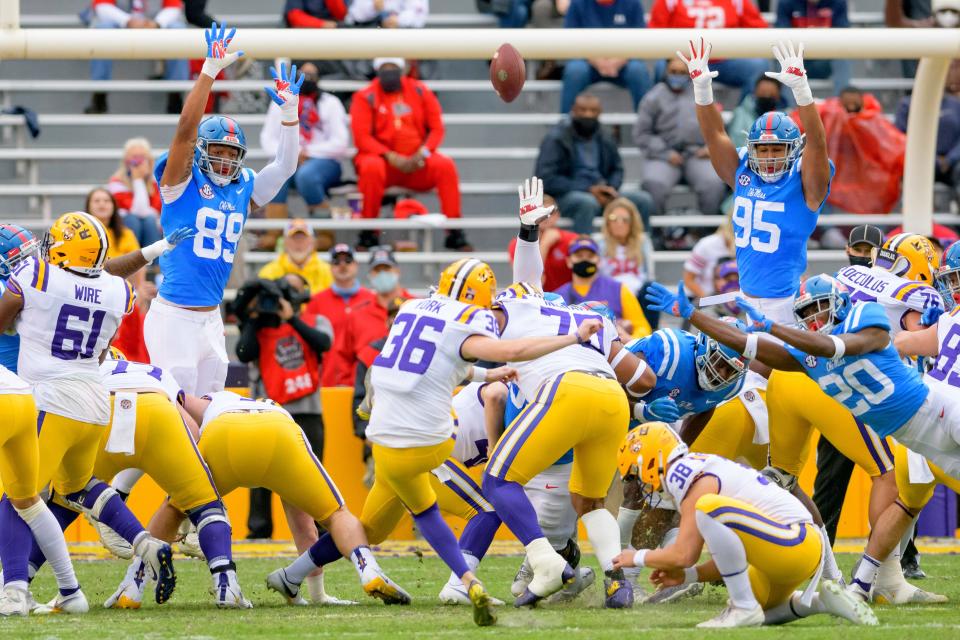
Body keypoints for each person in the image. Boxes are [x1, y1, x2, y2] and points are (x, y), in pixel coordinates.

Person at [645, 275, 960, 604]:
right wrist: (694, 316)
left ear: (839, 302)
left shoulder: (864, 316)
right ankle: (861, 583)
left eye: (820, 310)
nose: (815, 320)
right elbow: (749, 347)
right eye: (807, 313)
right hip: (917, 439)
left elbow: (833, 347)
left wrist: (773, 328)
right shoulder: (807, 355)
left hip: (940, 409)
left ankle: (868, 579)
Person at [482, 177, 657, 609]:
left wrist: (528, 233)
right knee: (591, 500)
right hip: (611, 399)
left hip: (565, 390)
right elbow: (642, 380)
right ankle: (617, 579)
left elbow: (521, 286)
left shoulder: (511, 309)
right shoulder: (587, 316)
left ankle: (546, 563)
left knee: (498, 480)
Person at [0, 213, 180, 613]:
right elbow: (97, 289)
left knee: (19, 496)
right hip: (95, 402)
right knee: (77, 487)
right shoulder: (118, 291)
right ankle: (145, 542)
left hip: (51, 397)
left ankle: (13, 590)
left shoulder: (35, 275)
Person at [145, 23, 302, 396]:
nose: (226, 161)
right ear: (202, 151)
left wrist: (289, 117)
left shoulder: (242, 186)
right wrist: (208, 73)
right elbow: (185, 130)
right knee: (177, 407)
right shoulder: (180, 183)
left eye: (232, 154)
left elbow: (285, 167)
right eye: (218, 151)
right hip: (174, 317)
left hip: (212, 317)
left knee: (211, 405)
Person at [29, 354, 247, 610]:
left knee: (67, 498)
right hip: (156, 409)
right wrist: (190, 482)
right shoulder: (157, 372)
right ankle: (226, 583)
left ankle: (17, 581)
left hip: (104, 408)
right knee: (206, 503)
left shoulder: (85, 367)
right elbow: (191, 427)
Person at [612, 424, 877, 628]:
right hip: (789, 551)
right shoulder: (696, 468)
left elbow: (683, 554)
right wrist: (688, 576)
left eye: (637, 476)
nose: (641, 486)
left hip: (795, 541)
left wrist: (635, 557)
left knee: (708, 507)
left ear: (648, 462)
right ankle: (821, 603)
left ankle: (743, 606)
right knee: (764, 614)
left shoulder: (690, 478)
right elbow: (731, 555)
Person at [680, 38, 833, 323]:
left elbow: (818, 142)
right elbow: (715, 135)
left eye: (777, 149)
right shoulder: (743, 171)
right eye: (763, 149)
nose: (769, 156)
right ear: (752, 148)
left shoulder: (805, 183)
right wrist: (702, 90)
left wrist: (802, 90)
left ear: (794, 149)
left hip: (787, 303)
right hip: (745, 300)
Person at [0, 226, 86, 617]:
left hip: (13, 396)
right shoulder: (47, 283)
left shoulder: (22, 287)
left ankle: (15, 587)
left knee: (21, 499)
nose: (30, 261)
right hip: (31, 399)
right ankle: (70, 589)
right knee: (28, 500)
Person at [233, 273, 329, 539]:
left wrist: (291, 319)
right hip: (268, 412)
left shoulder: (315, 320)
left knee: (312, 473)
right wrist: (253, 318)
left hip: (307, 411)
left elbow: (324, 343)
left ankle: (321, 528)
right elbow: (244, 352)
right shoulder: (258, 325)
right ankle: (259, 529)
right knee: (260, 472)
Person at [811, 224, 884, 545]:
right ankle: (820, 552)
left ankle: (901, 560)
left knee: (902, 481)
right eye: (860, 250)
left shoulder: (892, 287)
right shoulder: (832, 287)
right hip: (843, 390)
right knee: (830, 480)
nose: (864, 256)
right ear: (848, 250)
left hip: (883, 388)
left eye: (870, 251)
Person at [350, 58, 470, 251]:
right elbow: (362, 138)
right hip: (384, 163)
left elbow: (437, 129)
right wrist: (390, 155)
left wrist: (422, 153)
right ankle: (368, 231)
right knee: (370, 167)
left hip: (416, 162)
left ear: (402, 70)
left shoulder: (420, 90)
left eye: (393, 69)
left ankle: (454, 231)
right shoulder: (365, 95)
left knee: (445, 165)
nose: (389, 74)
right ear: (377, 71)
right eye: (385, 69)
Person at [536, 92, 654, 234]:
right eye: (583, 110)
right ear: (573, 110)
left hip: (602, 192)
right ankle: (583, 251)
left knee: (643, 200)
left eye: (593, 111)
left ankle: (642, 249)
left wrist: (609, 189)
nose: (588, 115)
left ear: (600, 113)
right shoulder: (556, 138)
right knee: (586, 203)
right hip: (567, 195)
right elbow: (546, 178)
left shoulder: (605, 136)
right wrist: (588, 189)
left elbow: (617, 169)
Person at [634, 57, 729, 216]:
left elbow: (718, 127)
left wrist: (710, 147)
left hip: (698, 154)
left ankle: (705, 233)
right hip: (664, 155)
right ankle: (659, 236)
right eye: (673, 72)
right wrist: (665, 153)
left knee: (713, 183)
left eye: (682, 72)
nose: (677, 76)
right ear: (666, 72)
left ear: (690, 74)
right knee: (653, 183)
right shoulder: (653, 97)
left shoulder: (702, 92)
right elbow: (642, 134)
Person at [260, 63, 348, 221]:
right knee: (274, 174)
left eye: (311, 76)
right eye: (302, 75)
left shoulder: (330, 102)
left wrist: (309, 152)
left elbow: (340, 142)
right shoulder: (281, 101)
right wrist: (292, 153)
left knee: (306, 175)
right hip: (289, 158)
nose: (307, 79)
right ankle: (274, 231)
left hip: (323, 161)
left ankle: (323, 231)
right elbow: (267, 140)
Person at [648, 0, 769, 102]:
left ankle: (743, 120)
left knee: (758, 66)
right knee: (662, 67)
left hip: (725, 61)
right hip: (685, 61)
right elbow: (655, 32)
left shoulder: (736, 1)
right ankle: (665, 120)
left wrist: (739, 46)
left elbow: (760, 29)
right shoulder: (670, 1)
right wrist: (672, 57)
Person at [85, 1, 190, 115]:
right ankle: (99, 95)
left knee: (178, 29)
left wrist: (157, 23)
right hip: (120, 24)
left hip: (155, 24)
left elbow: (174, 7)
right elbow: (102, 6)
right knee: (103, 30)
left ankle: (176, 96)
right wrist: (127, 21)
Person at [817, 87, 906, 216]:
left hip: (868, 180)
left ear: (862, 101)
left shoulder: (872, 121)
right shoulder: (830, 117)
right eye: (847, 103)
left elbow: (892, 149)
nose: (851, 107)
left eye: (854, 102)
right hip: (836, 180)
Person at [339, 246, 412, 399]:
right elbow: (343, 358)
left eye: (387, 269)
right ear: (370, 275)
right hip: (367, 393)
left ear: (397, 271)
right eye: (377, 270)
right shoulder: (357, 314)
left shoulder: (418, 306)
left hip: (410, 391)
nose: (382, 274)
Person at [559, 0, 651, 113]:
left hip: (623, 62)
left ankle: (646, 124)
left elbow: (640, 40)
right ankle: (565, 123)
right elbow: (570, 40)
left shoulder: (633, 3)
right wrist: (598, 62)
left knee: (638, 71)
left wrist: (617, 61)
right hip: (588, 62)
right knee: (575, 71)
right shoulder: (578, 3)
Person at [305, 244, 376, 388]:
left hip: (366, 381)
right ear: (330, 267)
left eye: (348, 261)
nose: (342, 266)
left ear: (356, 265)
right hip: (328, 380)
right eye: (337, 262)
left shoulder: (372, 300)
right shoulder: (316, 301)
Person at [553, 236, 652, 339]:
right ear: (569, 261)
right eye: (579, 256)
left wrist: (627, 341)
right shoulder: (558, 296)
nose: (585, 260)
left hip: (613, 350)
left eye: (590, 256)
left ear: (599, 261)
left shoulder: (618, 289)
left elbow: (642, 327)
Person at [596, 198, 658, 328]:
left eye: (625, 219)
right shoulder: (599, 244)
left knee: (651, 288)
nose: (619, 223)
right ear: (607, 222)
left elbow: (649, 274)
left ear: (632, 222)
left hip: (638, 296)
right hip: (611, 295)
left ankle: (651, 332)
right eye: (614, 218)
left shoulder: (643, 242)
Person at [896, 83, 960, 205]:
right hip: (919, 161)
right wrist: (932, 159)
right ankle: (914, 217)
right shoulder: (907, 104)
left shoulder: (956, 105)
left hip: (951, 163)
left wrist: (950, 159)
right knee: (908, 172)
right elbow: (900, 136)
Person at [775, 0, 852, 95]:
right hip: (797, 60)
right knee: (783, 56)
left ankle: (840, 106)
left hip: (825, 60)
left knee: (842, 56)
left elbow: (843, 35)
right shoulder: (786, 2)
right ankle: (791, 108)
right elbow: (781, 35)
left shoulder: (837, 2)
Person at [507, 195, 576, 292]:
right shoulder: (518, 244)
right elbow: (528, 282)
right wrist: (544, 245)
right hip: (537, 299)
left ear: (557, 215)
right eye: (539, 213)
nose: (545, 217)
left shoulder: (571, 240)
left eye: (549, 212)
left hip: (568, 300)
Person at [108, 138, 163, 248]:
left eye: (142, 157)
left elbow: (155, 212)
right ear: (126, 161)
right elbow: (140, 211)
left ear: (150, 161)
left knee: (149, 222)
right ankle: (132, 261)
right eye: (134, 157)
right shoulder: (117, 182)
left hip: (153, 230)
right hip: (128, 227)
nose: (138, 162)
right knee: (133, 220)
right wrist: (138, 179)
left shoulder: (157, 181)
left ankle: (154, 264)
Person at [259, 219, 333, 296]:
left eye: (303, 238)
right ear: (284, 242)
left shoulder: (328, 272)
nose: (298, 243)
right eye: (293, 238)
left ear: (313, 242)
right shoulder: (269, 273)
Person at [726, 77, 786, 151]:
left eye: (771, 94)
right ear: (755, 92)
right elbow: (734, 143)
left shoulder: (785, 119)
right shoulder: (740, 114)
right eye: (763, 92)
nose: (766, 96)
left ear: (778, 96)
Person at [683, 217, 735, 301]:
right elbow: (688, 279)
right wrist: (709, 301)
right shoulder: (707, 244)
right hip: (701, 298)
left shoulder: (748, 246)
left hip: (732, 302)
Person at [348, 0, 429, 27]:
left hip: (403, 39)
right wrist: (373, 7)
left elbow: (420, 17)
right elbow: (354, 16)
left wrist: (398, 20)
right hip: (372, 38)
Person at [283, 0, 348, 27]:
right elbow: (294, 17)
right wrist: (322, 24)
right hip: (305, 37)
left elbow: (341, 15)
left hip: (331, 37)